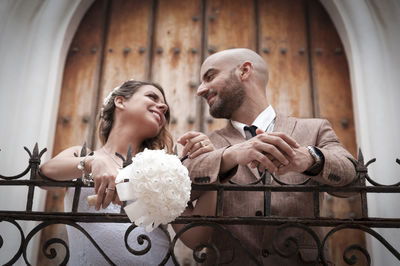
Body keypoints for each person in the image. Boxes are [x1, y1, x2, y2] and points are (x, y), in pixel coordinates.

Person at [178, 48, 356, 265]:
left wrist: (310, 159)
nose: (200, 90)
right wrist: (228, 156)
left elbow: (354, 181)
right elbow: (177, 189)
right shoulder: (206, 144)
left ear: (244, 71)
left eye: (210, 76)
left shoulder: (316, 129)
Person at [40, 80, 212, 265]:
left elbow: (196, 239)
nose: (163, 106)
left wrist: (213, 166)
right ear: (120, 102)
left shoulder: (165, 171)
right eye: (152, 97)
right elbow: (42, 177)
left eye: (166, 109)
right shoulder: (79, 155)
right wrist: (92, 162)